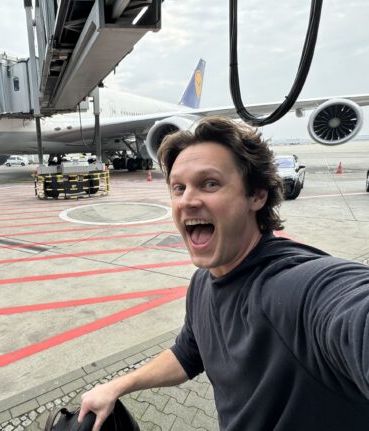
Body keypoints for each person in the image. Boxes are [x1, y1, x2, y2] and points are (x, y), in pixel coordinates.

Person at [79, 116, 369, 430]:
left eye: (210, 183)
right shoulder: (203, 281)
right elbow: (188, 353)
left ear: (257, 196)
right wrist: (117, 386)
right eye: (179, 187)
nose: (187, 200)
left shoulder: (294, 287)